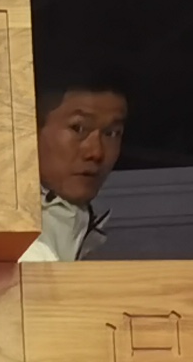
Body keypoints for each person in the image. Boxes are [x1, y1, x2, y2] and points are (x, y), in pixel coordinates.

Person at [25, 64, 129, 261]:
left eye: (112, 133)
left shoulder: (86, 226)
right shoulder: (4, 230)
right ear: (31, 129)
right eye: (78, 128)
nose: (96, 152)